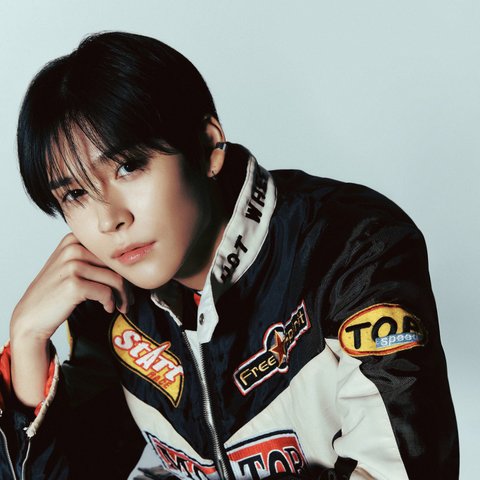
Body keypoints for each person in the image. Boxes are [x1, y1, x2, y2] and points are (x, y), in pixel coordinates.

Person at [0, 31, 458, 480]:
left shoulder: (351, 244)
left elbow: (403, 469)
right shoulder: (105, 294)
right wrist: (26, 342)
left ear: (207, 147)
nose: (109, 220)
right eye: (76, 194)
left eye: (129, 166)